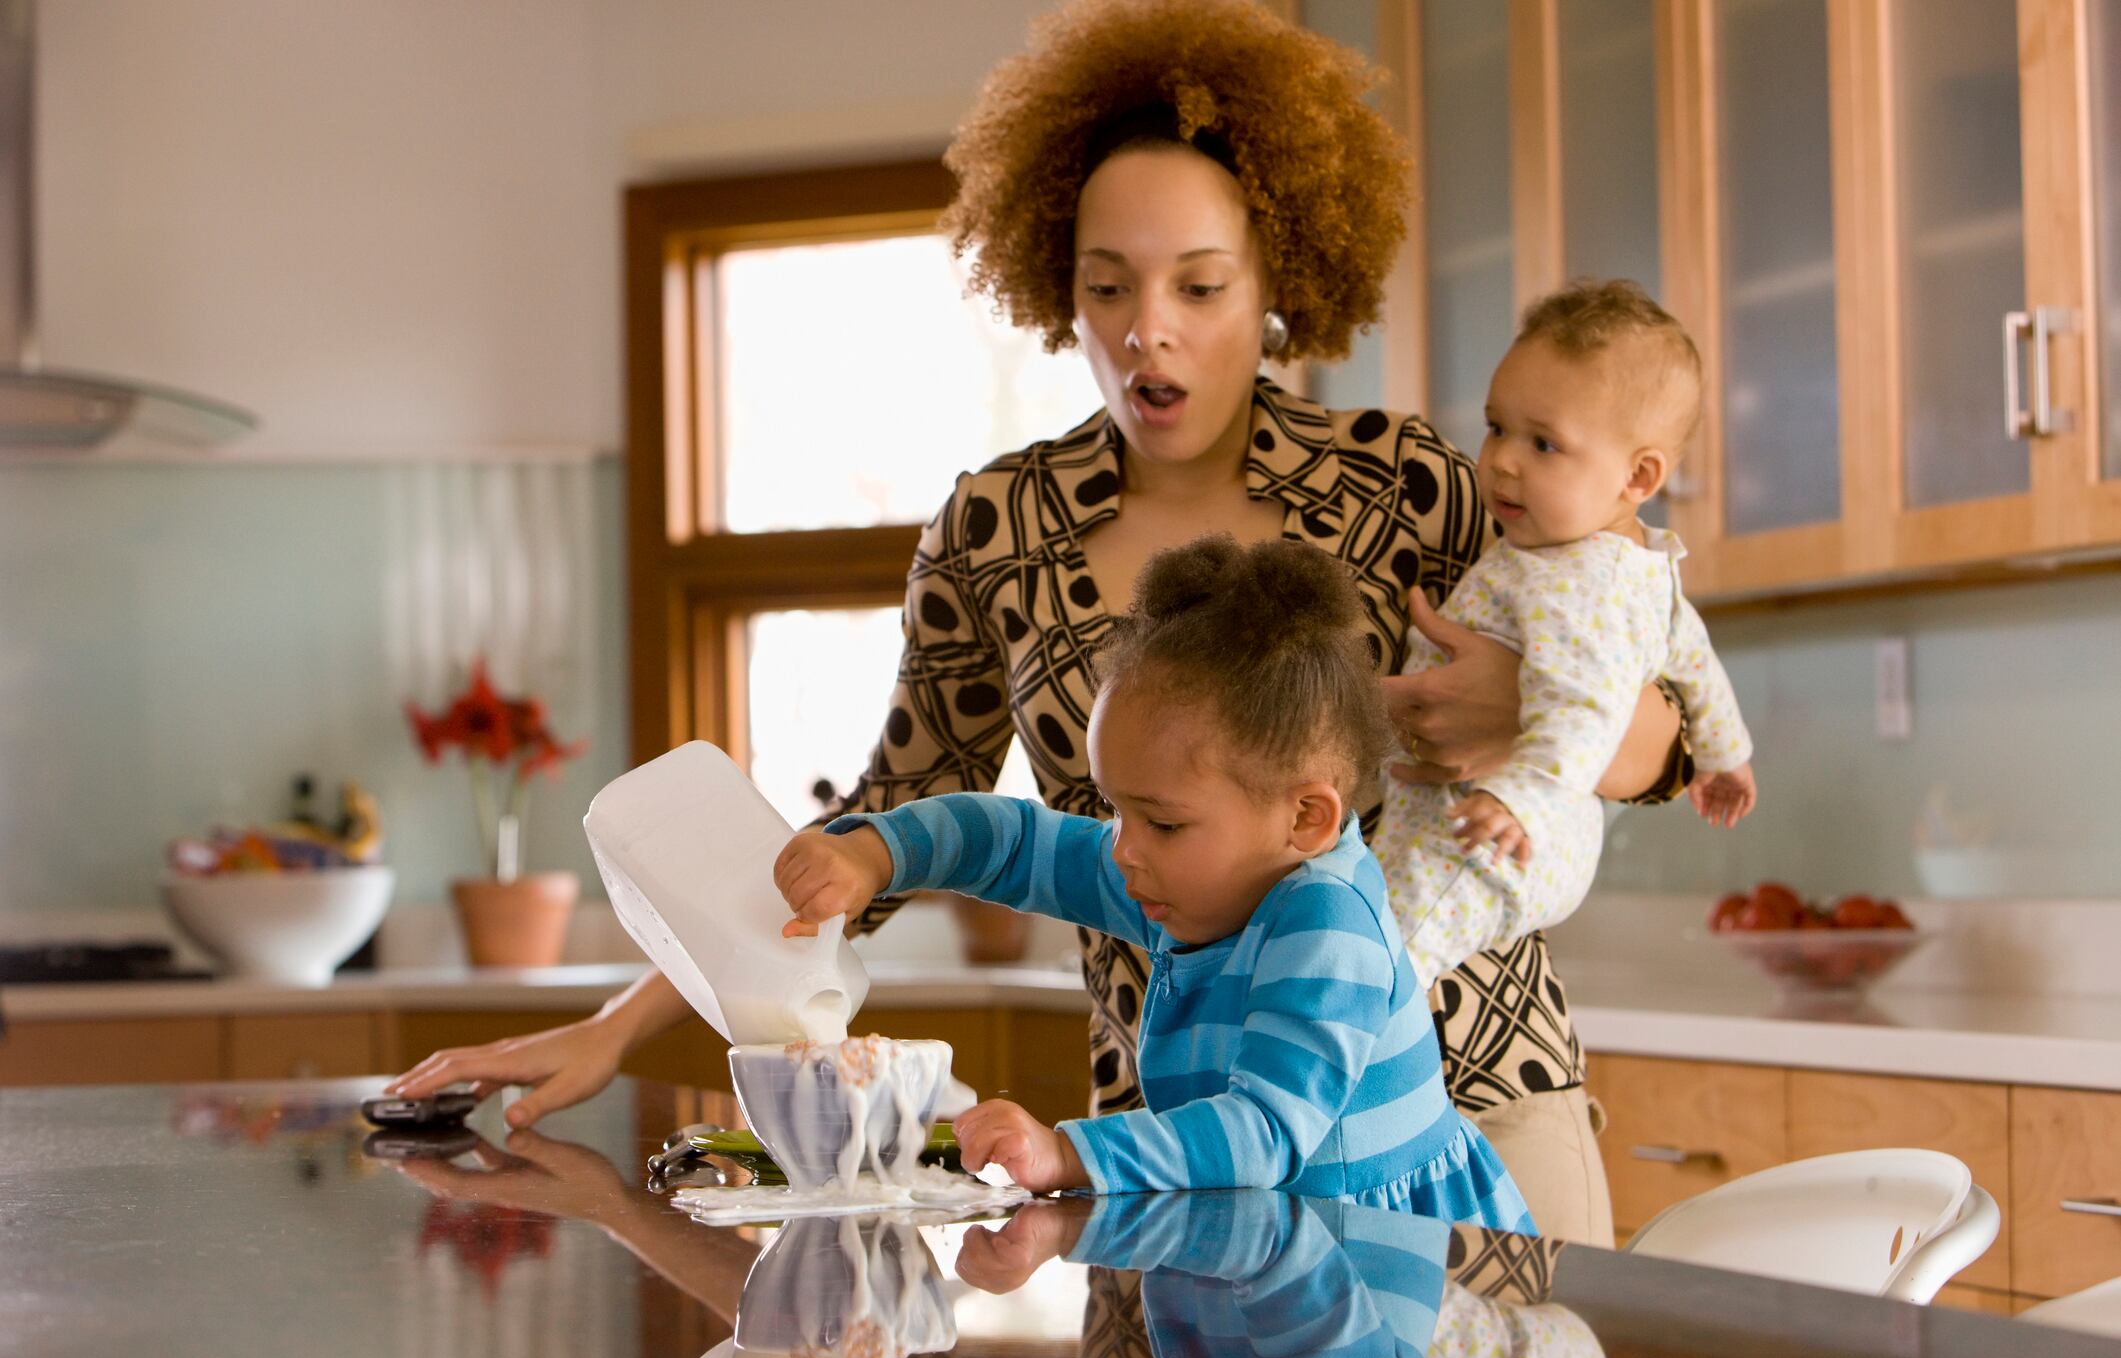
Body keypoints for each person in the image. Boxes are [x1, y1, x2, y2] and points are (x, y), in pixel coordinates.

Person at [389, 0, 1696, 1243]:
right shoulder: (997, 529)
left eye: (1199, 287)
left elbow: (1667, 741)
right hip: (1167, 1145)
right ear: (1055, 286)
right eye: (1107, 285)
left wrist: (1531, 709)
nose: (1147, 333)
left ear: (1274, 280)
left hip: (1470, 1112)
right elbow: (885, 831)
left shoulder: (1404, 482)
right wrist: (613, 1027)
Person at [776, 538, 1535, 1228]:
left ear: (1305, 817)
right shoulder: (1193, 877)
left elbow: (1263, 1133)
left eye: (1163, 823)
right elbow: (1015, 843)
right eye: (1115, 810)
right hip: (1275, 1245)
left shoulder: (1328, 922)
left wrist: (1066, 1153)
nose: (1124, 849)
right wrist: (877, 853)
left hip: (1384, 1261)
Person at [1374, 279, 1756, 995]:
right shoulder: (1637, 568)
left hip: (1492, 836)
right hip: (1509, 825)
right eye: (1496, 427)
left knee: (1386, 959)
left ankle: (1338, 1044)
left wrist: (1519, 799)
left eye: (1543, 443)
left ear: (1637, 475)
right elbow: (1696, 663)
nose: (1502, 460)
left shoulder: (1576, 584)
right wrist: (1724, 753)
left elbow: (1582, 709)